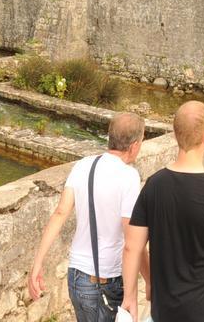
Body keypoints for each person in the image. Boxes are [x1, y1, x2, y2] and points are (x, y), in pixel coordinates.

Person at [121, 101, 204, 322]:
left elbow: (132, 247)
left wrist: (130, 295)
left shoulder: (154, 185)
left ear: (175, 135)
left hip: (166, 311)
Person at [28, 112, 149, 322]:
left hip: (77, 275)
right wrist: (146, 282)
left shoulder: (84, 165)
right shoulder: (128, 176)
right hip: (108, 280)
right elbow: (133, 243)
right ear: (135, 145)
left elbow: (60, 213)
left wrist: (37, 263)